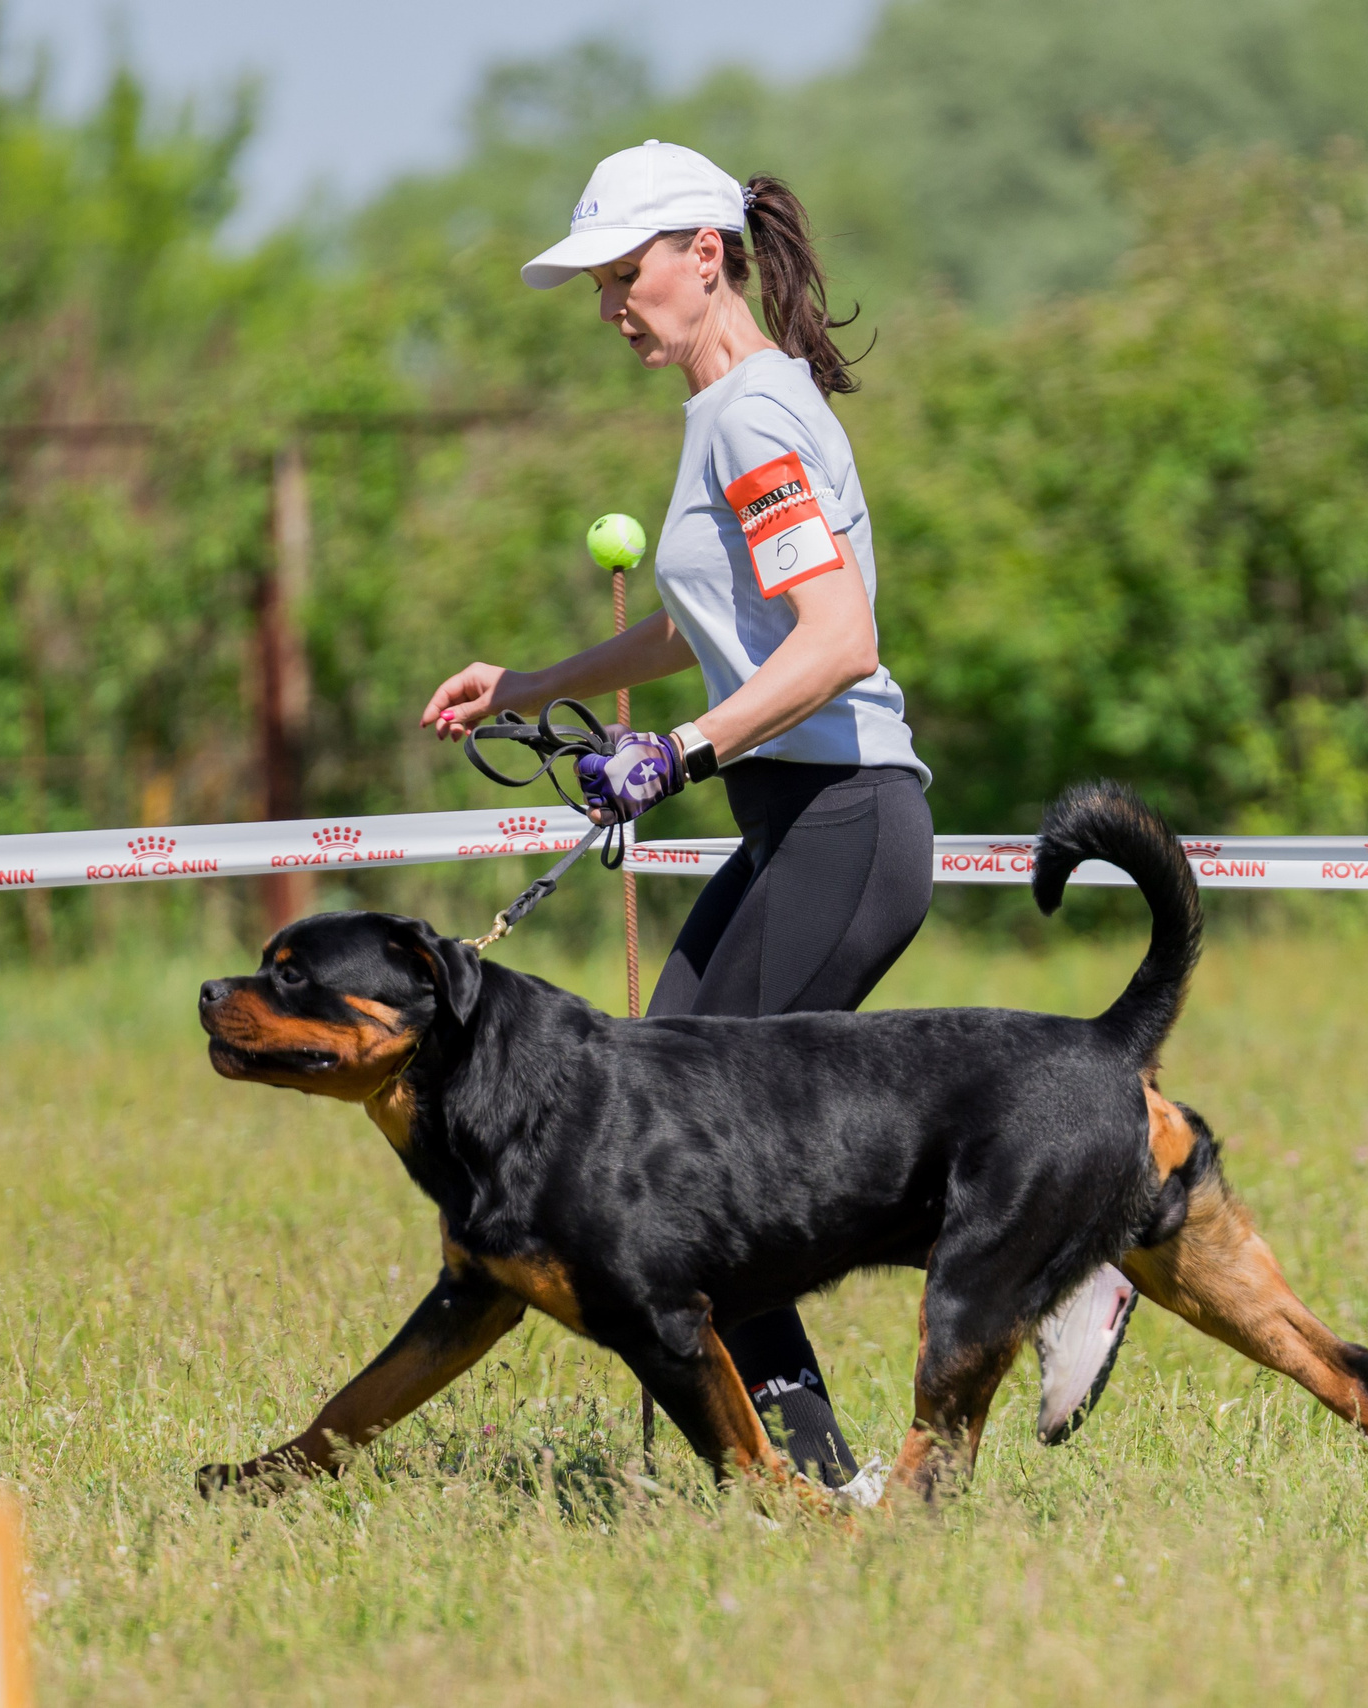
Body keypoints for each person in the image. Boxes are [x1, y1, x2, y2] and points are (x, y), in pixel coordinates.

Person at [420, 142, 1133, 1488]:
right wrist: (538, 685)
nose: (612, 306)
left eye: (626, 274)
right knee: (672, 1135)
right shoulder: (730, 409)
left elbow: (837, 639)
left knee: (688, 1167)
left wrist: (675, 757)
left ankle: (1064, 1261)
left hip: (844, 825)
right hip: (804, 826)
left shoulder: (750, 413)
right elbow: (724, 634)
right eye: (597, 287)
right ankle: (818, 1468)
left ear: (704, 254)